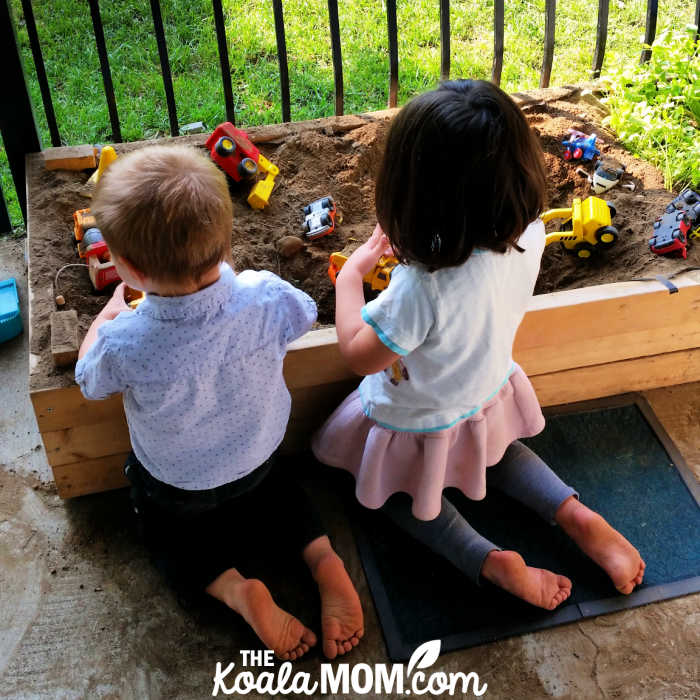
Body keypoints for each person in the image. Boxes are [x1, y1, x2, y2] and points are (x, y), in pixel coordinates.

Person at [312, 80, 645, 610]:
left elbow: (359, 352)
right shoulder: (530, 233)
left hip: (418, 418)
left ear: (412, 197)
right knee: (500, 456)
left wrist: (351, 278)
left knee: (388, 494)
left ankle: (488, 558)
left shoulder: (421, 288)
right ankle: (576, 514)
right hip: (485, 397)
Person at [75, 144, 363, 660]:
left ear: (130, 270)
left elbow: (89, 381)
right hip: (258, 459)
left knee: (167, 537)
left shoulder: (126, 343)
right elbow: (303, 314)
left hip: (176, 484)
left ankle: (237, 589)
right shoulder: (264, 295)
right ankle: (323, 559)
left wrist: (108, 316)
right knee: (285, 496)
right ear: (227, 244)